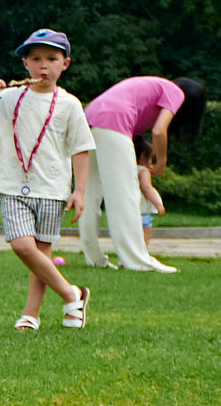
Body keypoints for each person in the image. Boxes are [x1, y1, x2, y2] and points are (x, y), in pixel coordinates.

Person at [0, 29, 93, 332]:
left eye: (51, 59)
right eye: (35, 59)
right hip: (11, 185)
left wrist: (80, 191)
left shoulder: (70, 104)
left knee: (41, 255)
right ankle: (72, 294)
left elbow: (81, 150)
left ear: (65, 64)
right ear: (25, 64)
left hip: (53, 187)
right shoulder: (6, 97)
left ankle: (31, 314)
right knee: (22, 246)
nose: (42, 66)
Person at [78, 73, 204, 272]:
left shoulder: (156, 88)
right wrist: (161, 162)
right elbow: (159, 131)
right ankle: (137, 260)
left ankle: (93, 258)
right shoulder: (175, 92)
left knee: (90, 193)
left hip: (88, 119)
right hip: (113, 121)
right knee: (125, 195)